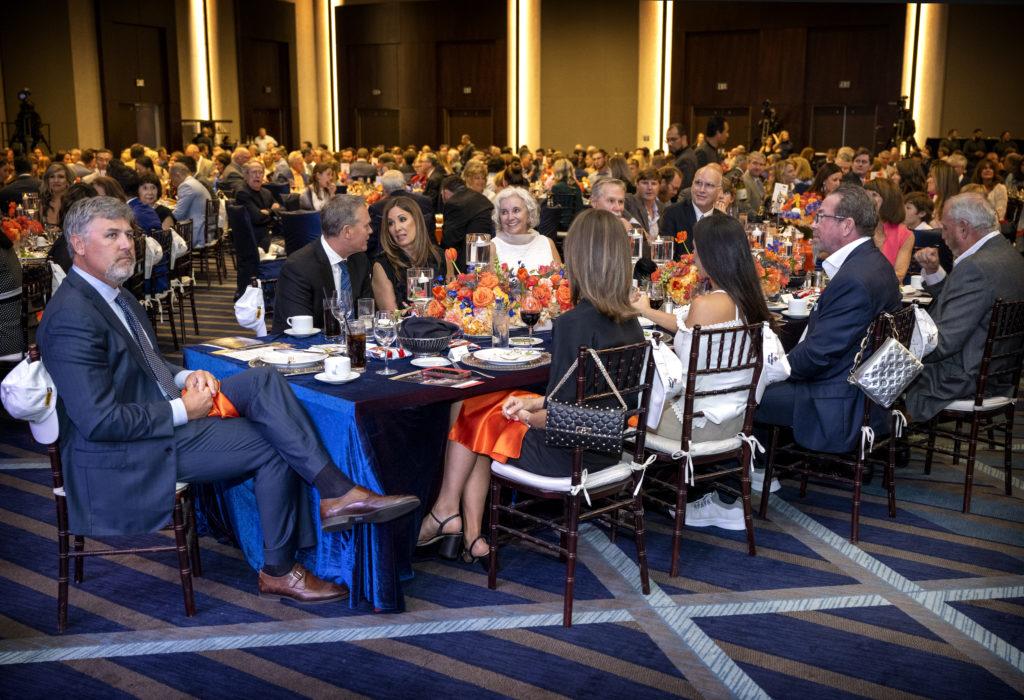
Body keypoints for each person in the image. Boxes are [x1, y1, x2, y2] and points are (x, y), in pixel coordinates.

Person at [37, 196, 419, 603]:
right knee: (272, 445)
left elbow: (142, 365)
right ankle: (280, 567)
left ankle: (335, 492)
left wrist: (186, 375)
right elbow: (100, 421)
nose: (127, 244)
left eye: (128, 234)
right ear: (77, 244)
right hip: (128, 449)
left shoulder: (117, 295)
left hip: (160, 412)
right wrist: (185, 408)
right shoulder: (71, 316)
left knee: (263, 380)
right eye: (111, 235)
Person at [416, 209, 644, 563]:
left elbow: (561, 419)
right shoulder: (633, 323)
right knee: (483, 404)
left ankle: (449, 515)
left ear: (580, 258)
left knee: (475, 409)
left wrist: (527, 414)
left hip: (564, 455)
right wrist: (535, 404)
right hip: (609, 447)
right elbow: (586, 398)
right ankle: (469, 534)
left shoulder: (574, 323)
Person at [756, 185, 902, 453]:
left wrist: (764, 374)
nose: (814, 225)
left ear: (846, 226)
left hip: (838, 399)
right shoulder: (873, 263)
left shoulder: (855, 279)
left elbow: (817, 356)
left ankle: (742, 485)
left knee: (743, 394)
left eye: (821, 217)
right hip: (854, 388)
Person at [632, 214, 773, 441]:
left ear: (712, 256)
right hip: (736, 420)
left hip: (694, 424)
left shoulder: (705, 304)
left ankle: (628, 471)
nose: (693, 257)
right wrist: (646, 311)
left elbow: (681, 370)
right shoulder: (750, 298)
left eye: (696, 250)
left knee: (623, 405)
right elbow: (688, 326)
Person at [906, 192, 1024, 421]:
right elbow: (970, 306)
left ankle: (883, 441)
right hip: (1000, 372)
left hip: (965, 377)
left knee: (877, 369)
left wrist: (900, 343)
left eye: (946, 229)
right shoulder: (1010, 255)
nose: (942, 235)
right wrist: (934, 274)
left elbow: (942, 344)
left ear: (963, 228)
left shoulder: (974, 268)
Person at [272, 194, 373, 333]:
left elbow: (366, 315)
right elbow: (300, 331)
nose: (371, 231)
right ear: (347, 231)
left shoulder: (360, 260)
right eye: (366, 226)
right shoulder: (298, 268)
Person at [371, 196, 448, 311]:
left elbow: (452, 305)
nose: (397, 228)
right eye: (391, 223)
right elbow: (391, 319)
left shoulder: (440, 257)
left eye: (402, 219)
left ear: (417, 221)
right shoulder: (382, 266)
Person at [659, 164, 725, 255]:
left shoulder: (723, 220)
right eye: (698, 183)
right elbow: (665, 256)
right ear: (692, 185)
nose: (702, 190)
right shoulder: (672, 214)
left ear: (719, 191)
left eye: (709, 185)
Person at [490, 186, 560, 271]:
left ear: (529, 214)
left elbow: (561, 281)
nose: (510, 217)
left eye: (516, 210)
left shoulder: (547, 243)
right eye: (504, 212)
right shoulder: (492, 247)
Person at [440, 165, 494, 270]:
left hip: (466, 263)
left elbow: (450, 240)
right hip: (485, 256)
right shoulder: (482, 199)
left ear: (445, 193)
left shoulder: (454, 203)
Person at [864, 178, 914, 281]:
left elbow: (899, 275)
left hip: (888, 291)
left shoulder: (904, 235)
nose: (867, 199)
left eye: (873, 195)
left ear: (888, 201)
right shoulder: (855, 227)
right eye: (865, 195)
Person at [234, 161, 280, 250]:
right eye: (254, 172)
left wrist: (268, 212)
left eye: (260, 172)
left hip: (271, 232)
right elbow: (257, 218)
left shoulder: (266, 192)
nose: (258, 176)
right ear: (246, 176)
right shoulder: (242, 193)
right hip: (255, 238)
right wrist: (273, 212)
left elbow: (280, 210)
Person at [169, 161, 211, 234]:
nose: (172, 183)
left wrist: (164, 216)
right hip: (204, 230)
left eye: (172, 179)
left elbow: (178, 215)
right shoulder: (193, 182)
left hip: (195, 233)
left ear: (177, 175)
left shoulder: (186, 186)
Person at [625, 167, 665, 239]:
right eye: (645, 183)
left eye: (654, 183)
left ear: (659, 186)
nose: (649, 187)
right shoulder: (628, 201)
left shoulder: (661, 207)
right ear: (637, 184)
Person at [548, 158, 584, 230]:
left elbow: (554, 212)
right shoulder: (576, 186)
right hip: (577, 223)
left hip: (562, 225)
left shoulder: (557, 187)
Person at [40, 162, 73, 226]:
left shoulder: (73, 202)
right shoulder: (43, 203)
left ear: (67, 180)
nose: (56, 180)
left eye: (60, 177)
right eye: (52, 177)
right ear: (47, 180)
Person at [666, 122, 697, 189]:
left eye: (673, 139)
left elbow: (683, 189)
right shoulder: (680, 155)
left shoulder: (686, 159)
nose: (670, 144)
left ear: (683, 139)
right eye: (668, 140)